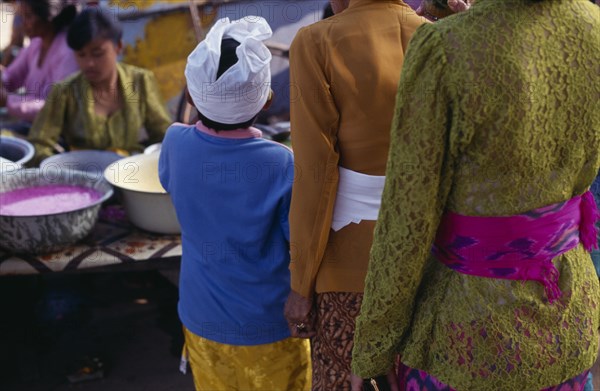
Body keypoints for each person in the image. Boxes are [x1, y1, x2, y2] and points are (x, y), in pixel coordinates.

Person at [350, 0, 600, 390]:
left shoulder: (444, 49)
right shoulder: (594, 26)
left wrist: (373, 348)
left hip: (470, 328)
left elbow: (408, 219)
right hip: (570, 311)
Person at [158, 16, 310, 391]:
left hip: (201, 322)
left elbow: (172, 179)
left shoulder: (175, 144)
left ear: (192, 96)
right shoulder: (280, 164)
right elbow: (300, 244)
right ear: (267, 98)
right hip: (268, 329)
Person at [282, 0, 427, 389]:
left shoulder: (315, 42)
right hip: (429, 259)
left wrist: (300, 285)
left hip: (349, 267)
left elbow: (315, 176)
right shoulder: (432, 35)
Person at [27, 7, 171, 165]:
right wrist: (60, 168)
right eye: (81, 55)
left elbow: (164, 135)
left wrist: (150, 161)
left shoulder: (141, 81)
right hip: (81, 177)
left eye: (97, 53)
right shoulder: (64, 91)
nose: (89, 63)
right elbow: (39, 143)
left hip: (131, 175)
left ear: (118, 47)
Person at [0, 0, 79, 130]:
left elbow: (55, 108)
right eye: (22, 16)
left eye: (29, 16)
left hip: (56, 135)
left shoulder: (67, 53)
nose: (23, 23)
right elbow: (12, 77)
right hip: (33, 127)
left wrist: (7, 100)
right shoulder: (36, 45)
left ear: (48, 17)